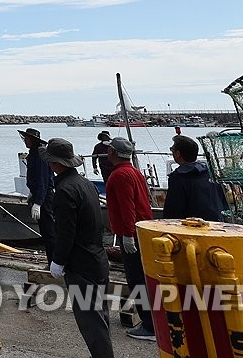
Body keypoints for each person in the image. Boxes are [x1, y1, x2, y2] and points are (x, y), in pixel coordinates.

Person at [42, 137, 113, 358]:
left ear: (55, 163)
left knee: (91, 322)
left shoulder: (64, 189)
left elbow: (66, 231)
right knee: (100, 317)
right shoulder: (86, 184)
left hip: (81, 263)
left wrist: (58, 260)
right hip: (97, 257)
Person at [104, 137, 155, 341]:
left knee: (136, 279)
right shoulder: (135, 172)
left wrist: (127, 235)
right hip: (142, 229)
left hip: (132, 233)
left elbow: (127, 208)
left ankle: (150, 325)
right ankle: (153, 321)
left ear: (113, 153)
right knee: (143, 277)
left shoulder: (120, 175)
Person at [163, 134, 227, 220]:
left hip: (193, 226)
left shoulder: (178, 177)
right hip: (216, 222)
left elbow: (173, 210)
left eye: (172, 150)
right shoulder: (210, 173)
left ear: (178, 153)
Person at [19, 127, 55, 261]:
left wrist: (38, 202)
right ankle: (52, 260)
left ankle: (54, 262)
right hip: (38, 193)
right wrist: (32, 193)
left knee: (49, 231)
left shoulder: (40, 155)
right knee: (45, 231)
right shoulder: (34, 153)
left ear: (33, 140)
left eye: (27, 138)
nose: (25, 140)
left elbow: (43, 180)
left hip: (45, 197)